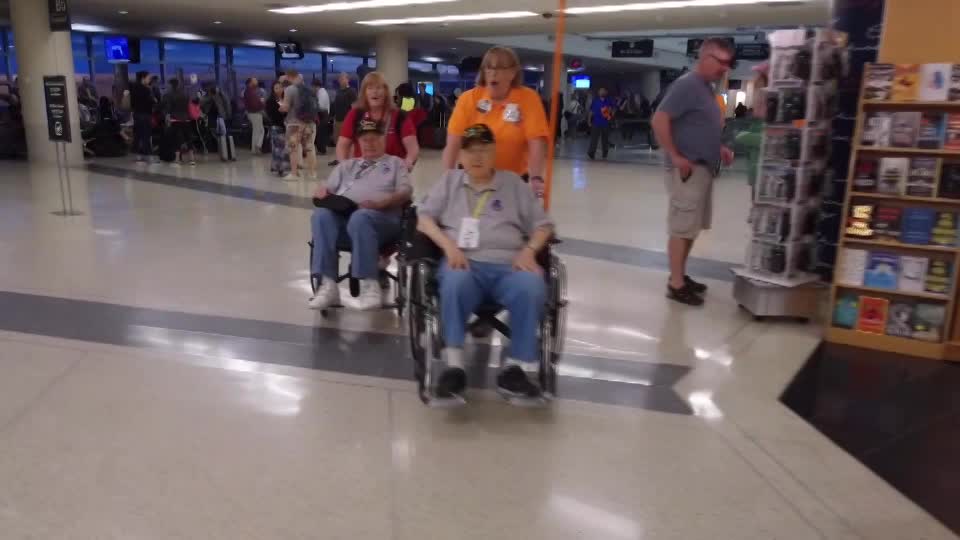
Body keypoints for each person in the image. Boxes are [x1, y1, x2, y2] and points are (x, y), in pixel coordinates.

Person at [417, 123, 555, 400]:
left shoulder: (514, 184)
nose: (477, 157)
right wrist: (448, 247)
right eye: (471, 151)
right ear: (461, 157)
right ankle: (454, 366)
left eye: (484, 150)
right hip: (464, 262)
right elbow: (424, 219)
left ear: (495, 153)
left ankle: (514, 368)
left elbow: (543, 226)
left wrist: (529, 251)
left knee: (531, 285)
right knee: (454, 282)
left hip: (510, 264)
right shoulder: (449, 182)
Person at [652, 37, 736, 306]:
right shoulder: (687, 85)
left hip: (702, 169)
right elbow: (659, 119)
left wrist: (719, 147)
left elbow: (698, 125)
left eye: (728, 63)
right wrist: (675, 155)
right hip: (687, 170)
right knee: (681, 227)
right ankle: (675, 284)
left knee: (691, 228)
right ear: (705, 57)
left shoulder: (706, 88)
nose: (725, 68)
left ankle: (680, 276)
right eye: (721, 61)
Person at [308, 118, 412, 311]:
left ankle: (369, 284)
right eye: (365, 139)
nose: (369, 143)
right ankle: (328, 284)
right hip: (346, 221)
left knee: (361, 217)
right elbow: (326, 188)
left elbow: (406, 192)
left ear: (383, 139)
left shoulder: (396, 163)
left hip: (383, 220)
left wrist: (382, 203)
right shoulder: (347, 166)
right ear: (358, 142)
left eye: (374, 138)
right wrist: (320, 191)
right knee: (321, 215)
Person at [443, 47, 550, 196]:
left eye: (500, 68)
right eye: (489, 67)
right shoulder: (469, 98)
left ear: (512, 73)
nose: (493, 73)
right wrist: (448, 177)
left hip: (512, 182)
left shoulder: (528, 99)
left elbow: (536, 141)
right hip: (471, 180)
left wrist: (536, 177)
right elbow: (453, 141)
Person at [336, 72, 419, 171]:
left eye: (378, 88)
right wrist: (344, 167)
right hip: (362, 175)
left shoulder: (399, 116)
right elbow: (342, 145)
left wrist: (408, 162)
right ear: (364, 93)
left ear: (386, 92)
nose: (374, 91)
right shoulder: (355, 115)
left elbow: (413, 149)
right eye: (370, 88)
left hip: (392, 176)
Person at [279, 69, 319, 181]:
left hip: (294, 124)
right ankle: (312, 173)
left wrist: (281, 107)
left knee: (293, 149)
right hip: (309, 123)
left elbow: (286, 107)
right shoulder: (309, 90)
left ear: (289, 77)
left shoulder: (290, 89)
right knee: (310, 149)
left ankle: (294, 173)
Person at [161, 78, 197, 166]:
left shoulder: (169, 95)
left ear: (171, 85)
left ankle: (177, 159)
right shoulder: (185, 94)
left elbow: (168, 108)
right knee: (188, 138)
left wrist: (167, 115)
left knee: (176, 139)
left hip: (175, 119)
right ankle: (192, 159)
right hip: (186, 119)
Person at [329, 73, 356, 167]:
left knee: (347, 140)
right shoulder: (339, 91)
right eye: (339, 79)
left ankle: (348, 159)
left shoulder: (351, 91)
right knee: (337, 139)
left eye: (343, 79)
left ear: (347, 79)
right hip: (338, 119)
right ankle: (339, 158)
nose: (341, 80)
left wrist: (353, 120)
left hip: (346, 119)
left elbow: (354, 107)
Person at [130, 71, 157, 162]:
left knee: (138, 134)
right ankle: (147, 155)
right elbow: (151, 101)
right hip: (145, 114)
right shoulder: (146, 89)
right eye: (148, 78)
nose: (149, 80)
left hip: (137, 114)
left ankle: (137, 155)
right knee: (146, 134)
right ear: (143, 78)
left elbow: (132, 103)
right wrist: (154, 100)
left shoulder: (133, 88)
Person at [265, 81, 291, 177]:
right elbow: (272, 115)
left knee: (285, 148)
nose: (279, 90)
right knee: (278, 149)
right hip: (276, 126)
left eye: (280, 87)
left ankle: (284, 167)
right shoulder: (270, 101)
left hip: (287, 127)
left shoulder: (286, 99)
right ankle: (279, 168)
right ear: (273, 89)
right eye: (276, 88)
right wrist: (281, 112)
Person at [588, 87, 615, 160]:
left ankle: (605, 153)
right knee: (594, 138)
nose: (602, 92)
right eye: (600, 91)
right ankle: (591, 152)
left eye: (603, 91)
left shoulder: (609, 101)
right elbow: (591, 111)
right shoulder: (595, 101)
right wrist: (589, 120)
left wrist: (611, 114)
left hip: (605, 123)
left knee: (605, 139)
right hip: (596, 122)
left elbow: (613, 109)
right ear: (598, 93)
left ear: (606, 92)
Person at [244, 78, 266, 154]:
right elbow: (255, 104)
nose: (256, 81)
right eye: (255, 80)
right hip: (255, 113)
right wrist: (262, 103)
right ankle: (258, 146)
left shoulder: (249, 91)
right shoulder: (251, 92)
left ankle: (254, 149)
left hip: (251, 113)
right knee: (260, 130)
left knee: (256, 131)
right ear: (250, 83)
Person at [312, 79, 331, 156]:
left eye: (313, 87)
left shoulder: (322, 93)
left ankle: (322, 150)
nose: (312, 89)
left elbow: (321, 106)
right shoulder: (320, 93)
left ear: (316, 86)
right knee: (320, 133)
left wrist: (314, 107)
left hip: (323, 115)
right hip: (322, 115)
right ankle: (321, 149)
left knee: (321, 134)